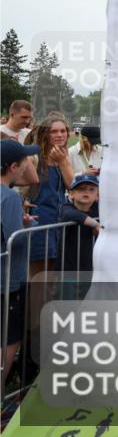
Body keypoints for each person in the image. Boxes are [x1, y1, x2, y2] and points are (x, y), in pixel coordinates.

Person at [1, 139, 40, 385]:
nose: (27, 164)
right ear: (14, 166)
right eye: (25, 160)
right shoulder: (9, 198)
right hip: (8, 281)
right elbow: (13, 240)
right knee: (9, 339)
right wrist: (30, 225)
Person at [24, 113, 75, 276]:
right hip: (39, 221)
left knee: (54, 272)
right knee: (39, 273)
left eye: (63, 131)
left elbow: (72, 187)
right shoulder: (33, 158)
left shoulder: (63, 157)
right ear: (45, 134)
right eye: (54, 132)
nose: (60, 135)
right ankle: (35, 303)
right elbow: (7, 180)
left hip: (59, 221)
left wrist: (63, 163)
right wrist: (19, 201)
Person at [57, 175, 100, 298]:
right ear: (71, 194)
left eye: (91, 189)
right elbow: (70, 214)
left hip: (91, 269)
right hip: (68, 270)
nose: (86, 192)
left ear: (97, 195)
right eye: (81, 189)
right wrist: (94, 224)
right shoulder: (66, 207)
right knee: (67, 304)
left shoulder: (99, 209)